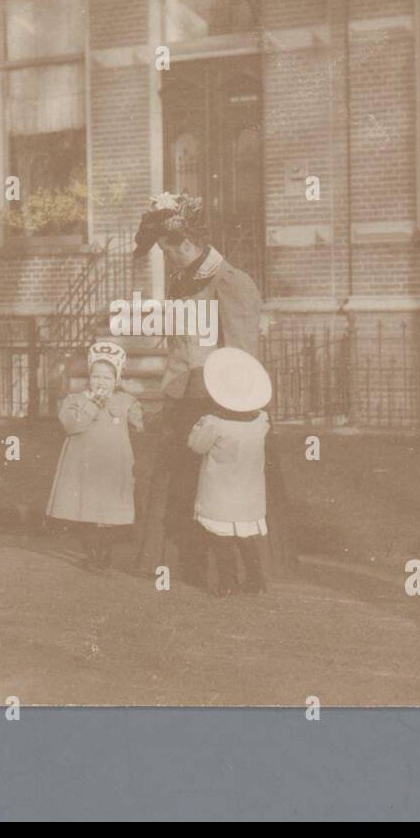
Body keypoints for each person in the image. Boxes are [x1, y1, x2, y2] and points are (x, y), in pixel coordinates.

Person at [130, 193, 264, 586]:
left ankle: (223, 570)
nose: (167, 260)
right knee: (178, 483)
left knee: (213, 487)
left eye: (168, 252)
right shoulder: (183, 279)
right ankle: (175, 561)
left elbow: (242, 356)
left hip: (215, 403)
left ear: (186, 244)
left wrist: (228, 411)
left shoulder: (230, 282)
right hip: (182, 396)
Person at [46, 341, 144, 571]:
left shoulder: (125, 400)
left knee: (110, 512)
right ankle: (92, 553)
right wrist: (93, 405)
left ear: (117, 380)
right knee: (85, 510)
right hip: (83, 465)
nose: (101, 382)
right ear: (89, 376)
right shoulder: (75, 400)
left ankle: (105, 551)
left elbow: (139, 426)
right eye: (97, 376)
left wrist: (137, 415)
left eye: (107, 378)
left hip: (112, 464)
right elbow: (72, 425)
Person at [188, 348, 273, 596]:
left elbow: (196, 446)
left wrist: (199, 425)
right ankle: (257, 580)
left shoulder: (214, 423)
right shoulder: (261, 423)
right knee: (246, 538)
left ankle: (228, 581)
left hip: (220, 492)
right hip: (249, 493)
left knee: (221, 539)